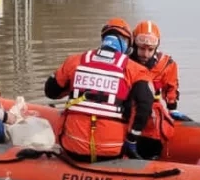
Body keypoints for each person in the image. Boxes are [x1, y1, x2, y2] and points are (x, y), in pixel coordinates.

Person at [43, 18, 156, 162]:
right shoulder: (136, 70)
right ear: (127, 44)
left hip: (73, 146)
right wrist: (132, 140)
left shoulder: (75, 61)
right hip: (111, 150)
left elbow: (51, 91)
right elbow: (145, 106)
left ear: (104, 38)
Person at [129, 20, 182, 159]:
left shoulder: (166, 65)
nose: (145, 54)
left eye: (150, 50)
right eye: (142, 49)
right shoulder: (125, 62)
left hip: (152, 119)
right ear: (134, 45)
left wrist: (172, 108)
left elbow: (171, 87)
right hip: (129, 113)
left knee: (151, 146)